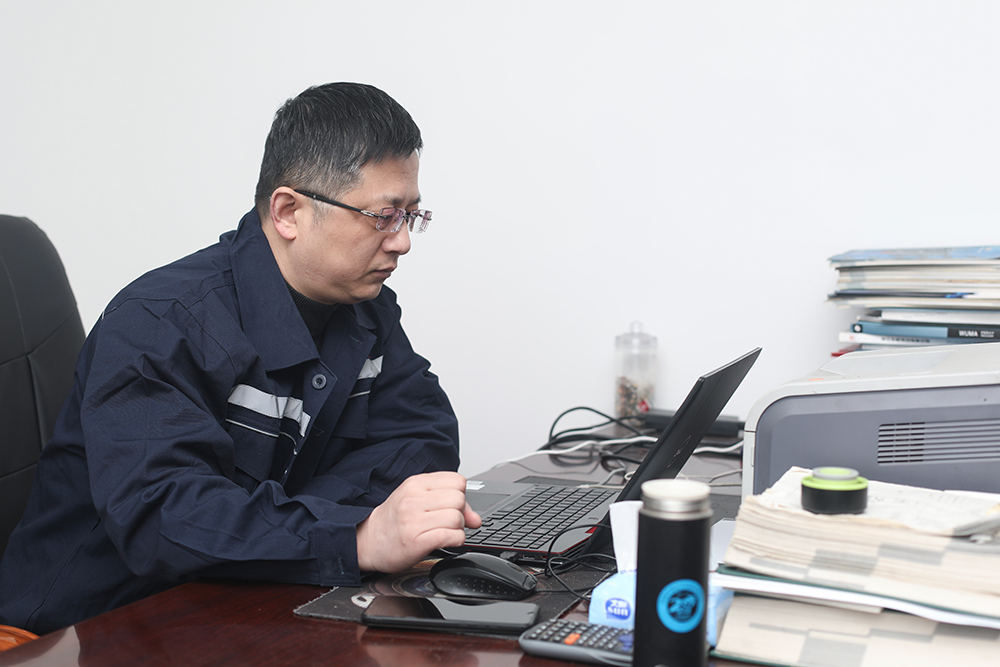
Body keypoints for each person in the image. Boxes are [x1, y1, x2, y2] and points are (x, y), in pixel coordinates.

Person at [0, 82, 481, 635]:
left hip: (246, 603)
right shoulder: (161, 322)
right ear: (288, 212)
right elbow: (163, 516)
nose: (402, 242)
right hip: (83, 629)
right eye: (383, 216)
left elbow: (425, 440)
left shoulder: (366, 311)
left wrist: (307, 523)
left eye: (411, 216)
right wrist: (353, 535)